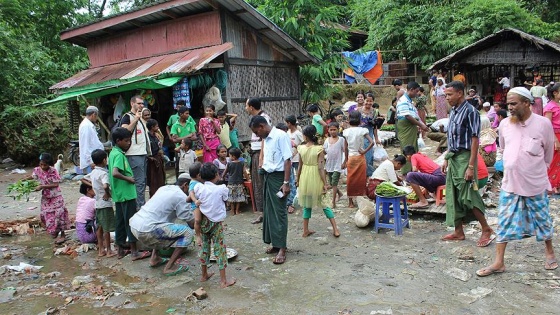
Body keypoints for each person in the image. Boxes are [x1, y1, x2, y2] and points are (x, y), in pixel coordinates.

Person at [476, 87, 557, 277]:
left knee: (542, 219)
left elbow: (548, 156)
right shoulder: (504, 125)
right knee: (503, 221)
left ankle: (549, 252)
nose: (509, 107)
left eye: (514, 104)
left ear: (527, 104)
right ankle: (498, 262)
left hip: (535, 183)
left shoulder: (543, 124)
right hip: (510, 183)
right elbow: (503, 148)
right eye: (508, 104)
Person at [441, 81, 494, 247]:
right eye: (446, 95)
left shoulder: (471, 112)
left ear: (459, 94)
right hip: (454, 158)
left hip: (465, 158)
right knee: (453, 194)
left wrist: (471, 166)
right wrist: (446, 158)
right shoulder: (454, 111)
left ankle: (486, 229)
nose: (447, 98)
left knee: (468, 194)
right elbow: (452, 138)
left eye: (449, 95)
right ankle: (458, 231)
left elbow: (475, 140)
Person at [129, 177, 195, 276]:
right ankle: (169, 267)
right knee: (188, 233)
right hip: (148, 230)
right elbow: (192, 224)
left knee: (163, 224)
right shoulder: (181, 196)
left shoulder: (164, 188)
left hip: (134, 225)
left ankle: (154, 258)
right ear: (185, 185)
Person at [249, 115, 292, 264]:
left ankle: (282, 248)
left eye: (256, 131)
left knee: (279, 212)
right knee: (269, 211)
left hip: (279, 180)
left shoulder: (281, 136)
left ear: (261, 126)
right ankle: (275, 243)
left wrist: (286, 183)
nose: (256, 135)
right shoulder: (266, 139)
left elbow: (288, 160)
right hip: (268, 176)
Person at [109, 127, 149, 261]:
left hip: (119, 194)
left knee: (120, 221)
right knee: (130, 221)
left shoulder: (113, 153)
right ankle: (134, 251)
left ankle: (120, 249)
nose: (129, 143)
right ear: (118, 141)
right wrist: (129, 179)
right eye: (126, 141)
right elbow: (115, 172)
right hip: (127, 194)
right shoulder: (119, 155)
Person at [193, 163, 236, 288]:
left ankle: (204, 275)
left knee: (205, 247)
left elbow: (193, 195)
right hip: (216, 223)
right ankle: (223, 281)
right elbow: (225, 199)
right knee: (220, 248)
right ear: (217, 174)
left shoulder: (198, 188)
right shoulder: (222, 188)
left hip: (204, 221)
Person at [296, 125, 341, 238]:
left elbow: (300, 166)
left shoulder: (300, 148)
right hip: (315, 177)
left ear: (305, 136)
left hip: (305, 177)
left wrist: (297, 180)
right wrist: (325, 183)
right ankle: (335, 229)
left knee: (307, 205)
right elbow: (321, 168)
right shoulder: (319, 149)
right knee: (325, 203)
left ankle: (305, 230)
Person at [24, 153, 69, 244]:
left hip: (56, 197)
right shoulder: (37, 170)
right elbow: (33, 177)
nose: (43, 167)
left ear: (49, 164)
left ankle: (63, 235)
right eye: (41, 164)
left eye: (45, 165)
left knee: (59, 215)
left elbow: (56, 184)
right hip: (46, 198)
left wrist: (42, 186)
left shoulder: (53, 171)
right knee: (46, 215)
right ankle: (54, 232)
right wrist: (24, 181)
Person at [81, 149, 116, 258]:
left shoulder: (94, 172)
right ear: (104, 160)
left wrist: (94, 186)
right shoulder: (103, 173)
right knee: (107, 228)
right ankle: (109, 250)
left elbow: (83, 178)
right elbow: (105, 185)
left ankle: (101, 249)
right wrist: (106, 193)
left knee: (99, 226)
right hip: (105, 203)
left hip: (97, 203)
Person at [120, 95, 150, 209]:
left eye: (142, 103)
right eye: (139, 103)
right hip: (133, 154)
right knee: (139, 182)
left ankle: (140, 205)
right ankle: (139, 207)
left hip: (142, 153)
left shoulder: (141, 117)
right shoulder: (127, 117)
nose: (141, 105)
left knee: (142, 181)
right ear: (132, 104)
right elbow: (124, 131)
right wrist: (136, 119)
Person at [245, 97, 271, 224]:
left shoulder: (263, 119)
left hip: (260, 155)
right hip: (255, 154)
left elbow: (265, 140)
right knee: (257, 183)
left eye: (246, 106)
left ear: (251, 107)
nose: (245, 108)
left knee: (261, 183)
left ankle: (266, 212)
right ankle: (262, 212)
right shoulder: (256, 119)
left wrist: (261, 156)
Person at [396, 81, 430, 174]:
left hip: (411, 126)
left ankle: (412, 169)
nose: (417, 93)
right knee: (407, 150)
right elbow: (407, 116)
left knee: (412, 149)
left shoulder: (410, 101)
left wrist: (420, 124)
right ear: (411, 90)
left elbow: (414, 115)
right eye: (416, 91)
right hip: (406, 126)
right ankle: (406, 172)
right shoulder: (403, 100)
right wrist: (421, 125)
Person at [343, 111, 375, 208]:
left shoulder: (346, 132)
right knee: (361, 179)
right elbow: (372, 142)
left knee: (350, 179)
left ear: (349, 120)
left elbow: (345, 148)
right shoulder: (363, 130)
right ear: (360, 120)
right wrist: (364, 151)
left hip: (352, 157)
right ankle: (361, 198)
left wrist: (345, 160)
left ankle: (350, 201)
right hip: (360, 157)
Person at [324, 122, 347, 209]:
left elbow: (345, 151)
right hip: (329, 165)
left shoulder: (341, 140)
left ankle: (333, 201)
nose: (333, 131)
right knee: (332, 183)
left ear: (338, 130)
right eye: (331, 130)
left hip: (338, 165)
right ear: (328, 130)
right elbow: (325, 151)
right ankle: (340, 193)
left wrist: (344, 162)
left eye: (334, 129)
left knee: (334, 183)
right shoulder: (327, 140)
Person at [358, 92, 382, 177]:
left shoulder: (375, 111)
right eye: (367, 100)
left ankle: (368, 174)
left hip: (369, 135)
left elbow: (375, 126)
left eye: (370, 101)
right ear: (363, 100)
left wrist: (376, 138)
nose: (368, 103)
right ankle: (361, 174)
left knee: (368, 155)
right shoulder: (358, 110)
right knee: (360, 154)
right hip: (360, 135)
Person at [171, 106, 197, 179]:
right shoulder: (175, 125)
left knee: (192, 166)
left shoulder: (190, 123)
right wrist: (188, 136)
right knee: (179, 167)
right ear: (181, 114)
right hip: (180, 149)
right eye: (186, 113)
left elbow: (195, 137)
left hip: (190, 149)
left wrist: (180, 138)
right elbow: (174, 140)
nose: (188, 115)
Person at [285, 115, 304, 214]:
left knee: (298, 178)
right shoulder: (287, 133)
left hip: (297, 158)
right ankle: (295, 197)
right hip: (290, 159)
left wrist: (297, 149)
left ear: (289, 123)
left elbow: (303, 143)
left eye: (287, 123)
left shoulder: (298, 133)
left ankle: (298, 197)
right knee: (292, 178)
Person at [544, 82, 560, 193]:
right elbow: (548, 125)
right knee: (553, 161)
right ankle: (551, 185)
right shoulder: (549, 107)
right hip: (554, 135)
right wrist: (555, 140)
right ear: (555, 93)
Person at [78, 106, 104, 174]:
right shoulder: (86, 126)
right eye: (96, 116)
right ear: (93, 114)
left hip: (95, 160)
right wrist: (91, 161)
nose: (97, 118)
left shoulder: (89, 125)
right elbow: (85, 145)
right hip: (91, 163)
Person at [222, 147, 248, 215]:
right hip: (239, 183)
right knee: (238, 198)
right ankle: (237, 210)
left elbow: (225, 172)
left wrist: (222, 177)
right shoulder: (242, 163)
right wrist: (248, 179)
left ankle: (232, 211)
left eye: (230, 155)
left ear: (233, 156)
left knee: (231, 198)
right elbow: (244, 172)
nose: (229, 156)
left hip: (231, 183)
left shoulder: (229, 163)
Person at [146, 119, 166, 197]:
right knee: (153, 181)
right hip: (152, 161)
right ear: (152, 127)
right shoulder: (147, 137)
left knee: (161, 179)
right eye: (156, 126)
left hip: (158, 159)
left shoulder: (156, 136)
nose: (158, 127)